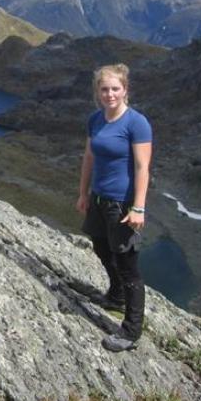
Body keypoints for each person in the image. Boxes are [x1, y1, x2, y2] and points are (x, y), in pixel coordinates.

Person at [76, 63, 152, 352]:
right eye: (104, 89)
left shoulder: (136, 123)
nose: (109, 94)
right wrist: (83, 193)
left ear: (125, 90)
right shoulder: (95, 119)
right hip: (98, 198)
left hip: (122, 203)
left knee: (127, 264)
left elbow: (143, 167)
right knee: (99, 246)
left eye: (115, 89)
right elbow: (88, 158)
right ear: (98, 91)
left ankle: (131, 331)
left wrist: (139, 207)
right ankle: (116, 294)